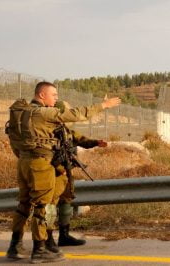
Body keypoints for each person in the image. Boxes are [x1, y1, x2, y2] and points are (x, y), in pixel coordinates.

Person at [5, 81, 120, 263]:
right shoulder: (43, 113)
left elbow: (15, 142)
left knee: (24, 204)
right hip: (41, 164)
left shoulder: (22, 114)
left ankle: (14, 246)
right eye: (54, 95)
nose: (56, 99)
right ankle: (39, 250)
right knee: (44, 206)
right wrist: (103, 105)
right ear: (42, 95)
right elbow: (76, 114)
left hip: (25, 163)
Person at [44, 100, 108, 253]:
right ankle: (48, 238)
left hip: (66, 170)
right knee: (51, 205)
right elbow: (45, 153)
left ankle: (64, 235)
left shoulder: (64, 129)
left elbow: (78, 139)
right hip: (53, 172)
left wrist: (95, 143)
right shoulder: (47, 130)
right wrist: (60, 169)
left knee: (67, 199)